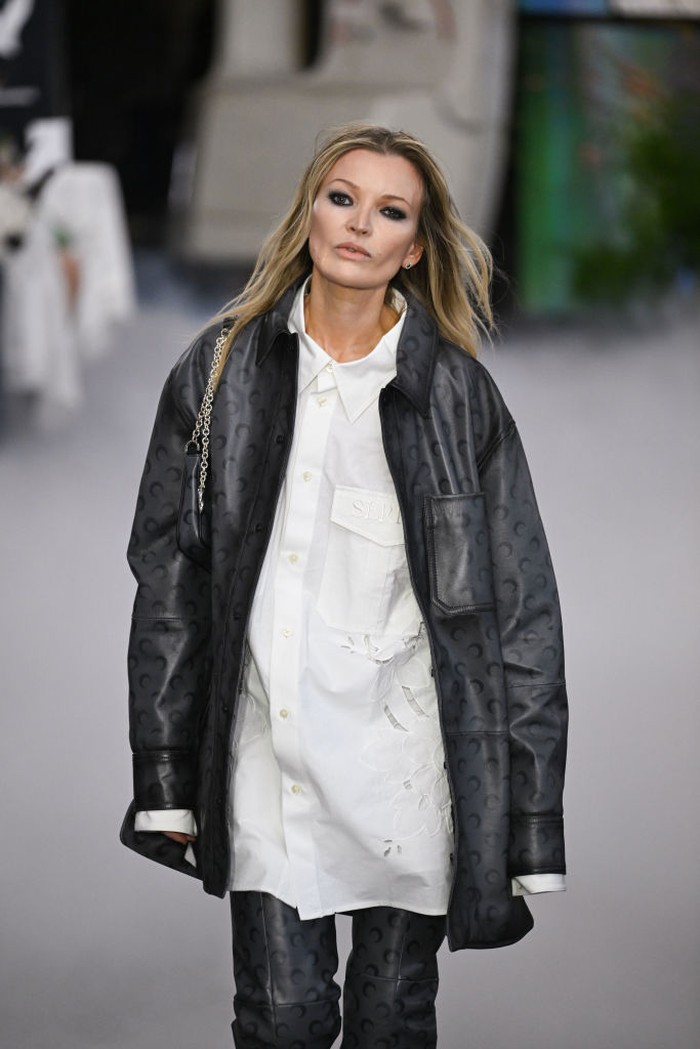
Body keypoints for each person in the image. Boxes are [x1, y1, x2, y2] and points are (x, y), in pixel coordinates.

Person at [121, 123, 568, 1049]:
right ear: (309, 212)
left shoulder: (459, 398)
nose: (360, 224)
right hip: (266, 751)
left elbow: (522, 612)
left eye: (390, 210)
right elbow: (169, 580)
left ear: (416, 244)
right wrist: (165, 776)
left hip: (408, 768)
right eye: (342, 197)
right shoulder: (217, 374)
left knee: (392, 1017)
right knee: (280, 1021)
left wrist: (528, 819)